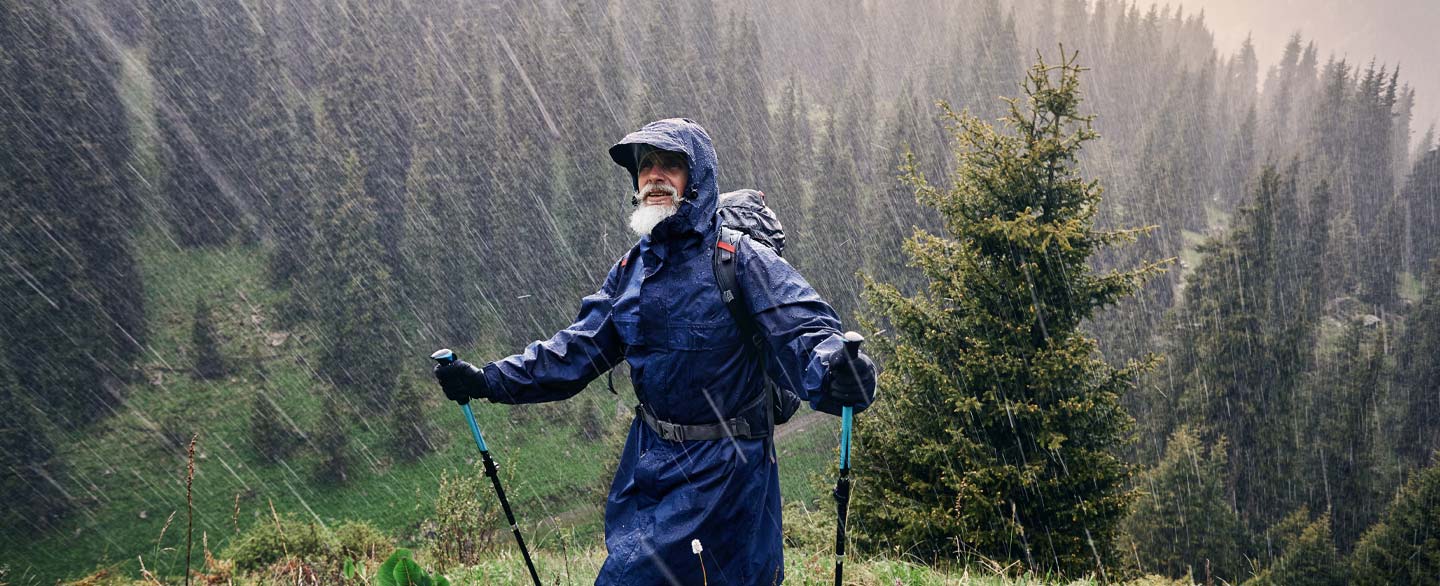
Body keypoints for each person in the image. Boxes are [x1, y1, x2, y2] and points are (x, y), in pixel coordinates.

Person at [434, 118, 876, 584]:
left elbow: (804, 328)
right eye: (646, 165)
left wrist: (837, 368)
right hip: (647, 467)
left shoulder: (739, 259)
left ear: (697, 179)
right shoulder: (631, 271)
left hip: (726, 476)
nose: (654, 175)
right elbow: (575, 350)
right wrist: (487, 381)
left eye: (670, 164)